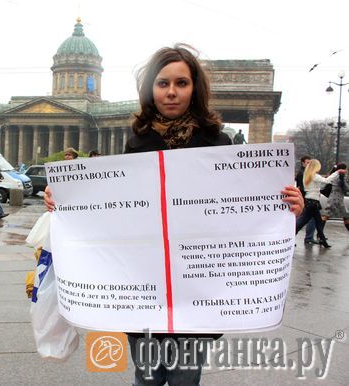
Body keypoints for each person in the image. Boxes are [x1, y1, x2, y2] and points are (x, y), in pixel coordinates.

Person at [44, 44, 304, 385]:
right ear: (151, 88)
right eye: (163, 83)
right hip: (144, 283)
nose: (171, 92)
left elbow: (240, 214)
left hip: (198, 285)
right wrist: (66, 201)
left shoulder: (217, 142)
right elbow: (117, 209)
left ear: (194, 88)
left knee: (184, 377)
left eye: (181, 83)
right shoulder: (137, 142)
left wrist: (288, 209)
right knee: (147, 376)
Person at [295, 159, 344, 248]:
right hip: (313, 202)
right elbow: (327, 181)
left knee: (313, 221)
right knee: (310, 221)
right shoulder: (314, 176)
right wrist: (337, 172)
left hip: (310, 201)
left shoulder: (308, 175)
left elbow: (321, 186)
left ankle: (322, 240)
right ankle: (322, 240)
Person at [295, 155, 317, 244]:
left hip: (306, 199)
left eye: (310, 163)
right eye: (307, 162)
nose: (309, 164)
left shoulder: (305, 172)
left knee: (308, 218)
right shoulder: (302, 173)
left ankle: (309, 237)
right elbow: (302, 187)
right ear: (303, 163)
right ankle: (308, 238)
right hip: (306, 199)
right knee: (308, 219)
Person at [321, 163, 349, 232]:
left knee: (326, 216)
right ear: (342, 169)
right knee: (345, 217)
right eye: (345, 169)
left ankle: (319, 234)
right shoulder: (340, 176)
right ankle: (320, 233)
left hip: (333, 198)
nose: (346, 171)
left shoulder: (335, 175)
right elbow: (346, 188)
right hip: (337, 199)